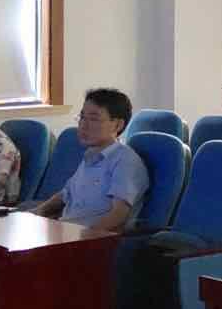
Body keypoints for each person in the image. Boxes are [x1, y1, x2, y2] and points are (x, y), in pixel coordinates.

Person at [33, 88, 146, 231]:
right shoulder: (90, 156)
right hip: (66, 231)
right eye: (82, 117)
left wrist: (85, 237)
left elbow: (119, 215)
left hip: (92, 238)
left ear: (118, 125)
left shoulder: (125, 161)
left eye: (93, 119)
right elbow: (65, 194)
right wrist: (36, 213)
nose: (83, 125)